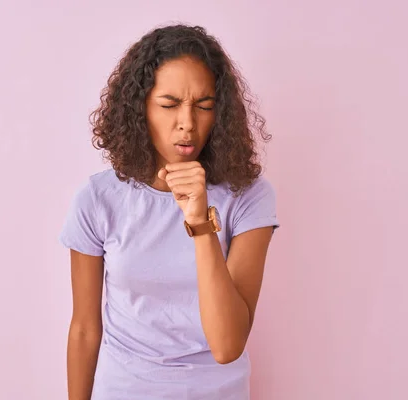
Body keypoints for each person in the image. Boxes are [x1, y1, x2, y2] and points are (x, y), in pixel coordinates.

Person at [59, 23, 280, 400]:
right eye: (169, 104)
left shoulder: (248, 197)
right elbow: (84, 328)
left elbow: (228, 346)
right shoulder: (98, 198)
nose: (187, 124)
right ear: (139, 107)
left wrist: (199, 223)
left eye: (204, 106)